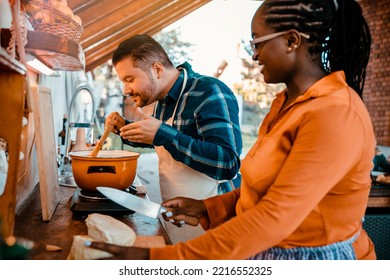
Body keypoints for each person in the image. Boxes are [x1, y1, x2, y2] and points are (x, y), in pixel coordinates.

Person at [87, 0, 376, 259]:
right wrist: (207, 209)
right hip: (255, 246)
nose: (253, 55)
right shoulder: (284, 106)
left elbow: (273, 215)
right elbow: (259, 190)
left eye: (257, 43)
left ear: (291, 41)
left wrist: (161, 259)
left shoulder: (334, 112)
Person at [104, 34, 242, 243]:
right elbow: (163, 140)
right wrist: (125, 128)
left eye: (129, 79)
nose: (125, 90)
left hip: (214, 224)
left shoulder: (209, 92)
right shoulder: (162, 100)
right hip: (178, 218)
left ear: (157, 70)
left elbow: (228, 163)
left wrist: (163, 134)